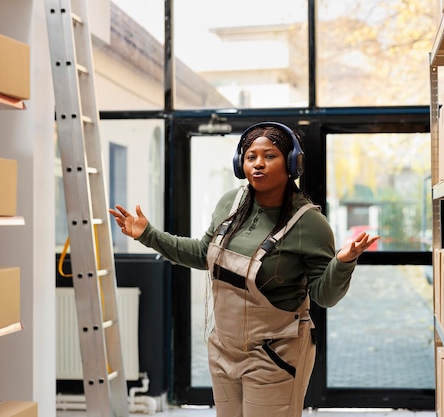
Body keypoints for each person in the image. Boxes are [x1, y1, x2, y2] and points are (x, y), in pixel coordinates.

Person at [109, 121, 379, 417]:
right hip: (224, 348)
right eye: (251, 157)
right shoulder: (231, 203)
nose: (258, 164)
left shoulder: (309, 224)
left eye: (270, 156)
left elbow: (323, 296)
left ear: (292, 163)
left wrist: (342, 263)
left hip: (274, 354)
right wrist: (149, 234)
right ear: (241, 163)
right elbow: (203, 254)